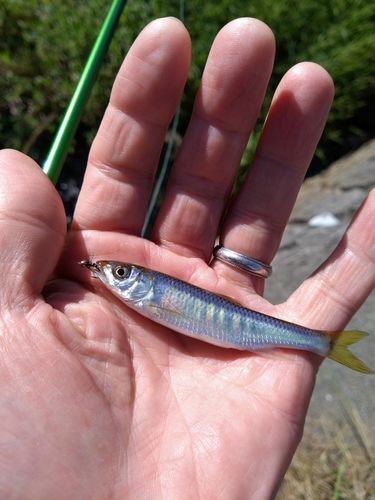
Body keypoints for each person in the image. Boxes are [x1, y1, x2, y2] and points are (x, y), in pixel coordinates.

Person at [0, 17, 374, 499]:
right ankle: (319, 341)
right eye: (116, 273)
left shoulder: (149, 295)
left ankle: (319, 341)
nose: (112, 279)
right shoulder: (140, 298)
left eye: (119, 274)